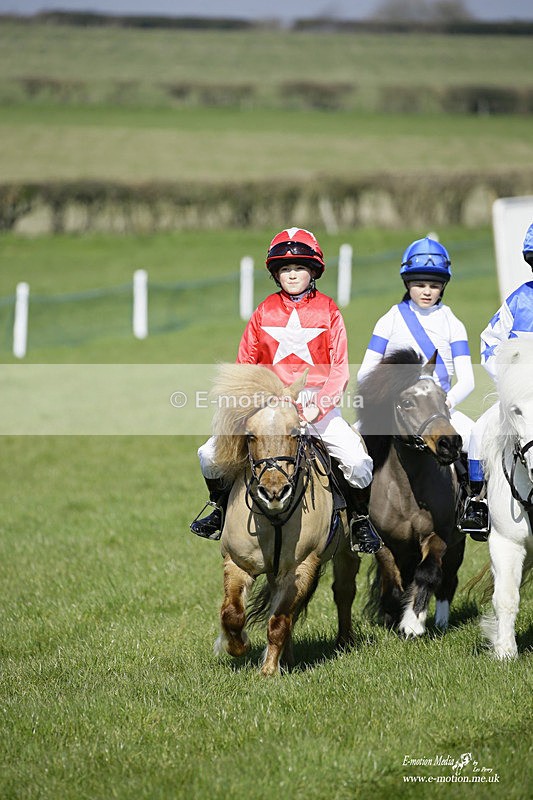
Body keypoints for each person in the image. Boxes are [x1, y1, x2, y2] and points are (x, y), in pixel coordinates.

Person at [190, 226, 381, 553]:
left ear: (313, 271)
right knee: (208, 454)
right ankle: (218, 510)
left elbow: (339, 369)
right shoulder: (263, 311)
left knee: (358, 460)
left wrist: (318, 406)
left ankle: (361, 521)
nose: (292, 275)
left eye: (299, 268)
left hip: (314, 405)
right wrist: (249, 403)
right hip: (266, 407)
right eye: (285, 269)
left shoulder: (329, 310)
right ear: (276, 274)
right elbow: (244, 364)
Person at [357, 237, 476, 453]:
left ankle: (476, 487)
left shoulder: (454, 324)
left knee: (477, 439)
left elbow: (468, 380)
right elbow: (364, 373)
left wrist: (447, 404)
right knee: (354, 447)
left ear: (443, 287)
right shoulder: (389, 320)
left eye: (434, 286)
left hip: (441, 410)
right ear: (407, 283)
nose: (427, 291)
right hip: (398, 411)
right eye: (420, 285)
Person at [459, 220, 533, 539]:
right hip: (518, 400)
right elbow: (488, 342)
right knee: (477, 432)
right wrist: (507, 384)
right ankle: (478, 503)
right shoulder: (518, 300)